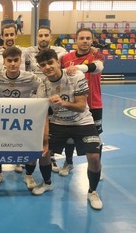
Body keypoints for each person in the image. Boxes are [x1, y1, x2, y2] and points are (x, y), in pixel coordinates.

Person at [34, 49, 103, 210]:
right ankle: (47, 183)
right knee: (43, 154)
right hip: (58, 123)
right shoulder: (42, 85)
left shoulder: (75, 76)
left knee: (93, 156)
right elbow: (43, 115)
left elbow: (81, 106)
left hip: (82, 122)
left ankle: (92, 191)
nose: (48, 67)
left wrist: (62, 103)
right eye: (43, 65)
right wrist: (44, 142)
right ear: (39, 67)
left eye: (50, 62)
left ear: (57, 62)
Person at [0, 46, 42, 189]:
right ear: (4, 62)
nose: (13, 63)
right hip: (0, 121)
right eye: (9, 60)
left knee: (30, 148)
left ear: (20, 61)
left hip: (23, 122)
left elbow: (44, 86)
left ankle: (29, 175)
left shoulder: (30, 77)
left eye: (16, 60)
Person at [59, 28, 105, 177]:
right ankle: (68, 162)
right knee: (70, 136)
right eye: (82, 38)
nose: (85, 41)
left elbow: (97, 68)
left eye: (88, 38)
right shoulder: (66, 58)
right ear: (76, 40)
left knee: (96, 137)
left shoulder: (96, 55)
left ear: (92, 41)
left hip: (94, 103)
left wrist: (77, 68)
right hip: (74, 103)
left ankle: (98, 166)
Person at [22, 26, 67, 173]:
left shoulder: (61, 52)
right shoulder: (28, 51)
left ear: (50, 37)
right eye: (40, 35)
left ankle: (51, 157)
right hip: (35, 96)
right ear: (36, 38)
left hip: (54, 93)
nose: (43, 38)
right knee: (33, 126)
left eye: (46, 35)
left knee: (52, 126)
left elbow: (73, 60)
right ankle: (29, 156)